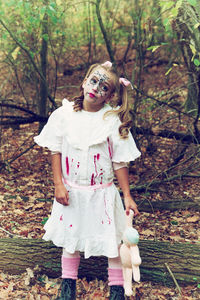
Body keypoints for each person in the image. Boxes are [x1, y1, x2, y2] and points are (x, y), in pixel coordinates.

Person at [34, 61, 141, 300]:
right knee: (71, 239)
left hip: (102, 193)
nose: (96, 88)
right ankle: (67, 285)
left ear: (110, 95)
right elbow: (55, 150)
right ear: (84, 82)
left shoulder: (111, 120)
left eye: (103, 87)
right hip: (72, 191)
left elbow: (120, 162)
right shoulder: (64, 115)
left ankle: (116, 289)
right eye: (93, 81)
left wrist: (127, 196)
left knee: (112, 238)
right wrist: (58, 184)